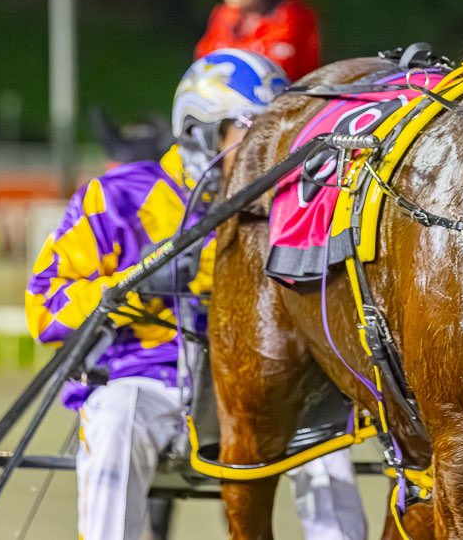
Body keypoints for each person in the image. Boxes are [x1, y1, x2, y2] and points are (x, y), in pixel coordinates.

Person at [25, 49, 365, 540]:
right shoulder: (116, 198)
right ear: (199, 129)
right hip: (145, 382)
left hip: (261, 386)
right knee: (116, 419)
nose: (272, 143)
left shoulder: (294, 208)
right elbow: (45, 311)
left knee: (326, 445)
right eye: (252, 125)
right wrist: (135, 286)